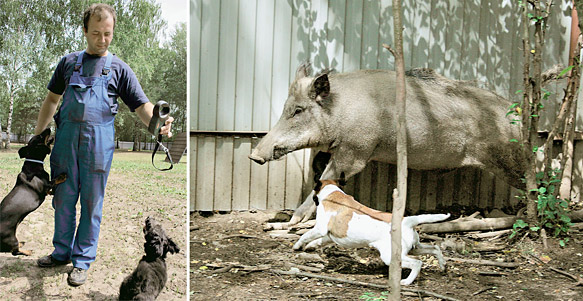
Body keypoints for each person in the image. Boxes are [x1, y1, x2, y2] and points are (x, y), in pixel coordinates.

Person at [33, 3, 173, 287]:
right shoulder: (68, 63)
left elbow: (142, 107)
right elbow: (51, 100)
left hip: (98, 148)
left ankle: (82, 261)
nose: (102, 39)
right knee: (62, 200)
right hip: (65, 144)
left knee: (92, 204)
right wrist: (38, 136)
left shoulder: (119, 69)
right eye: (96, 33)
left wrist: (159, 125)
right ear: (85, 31)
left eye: (107, 33)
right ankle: (61, 253)